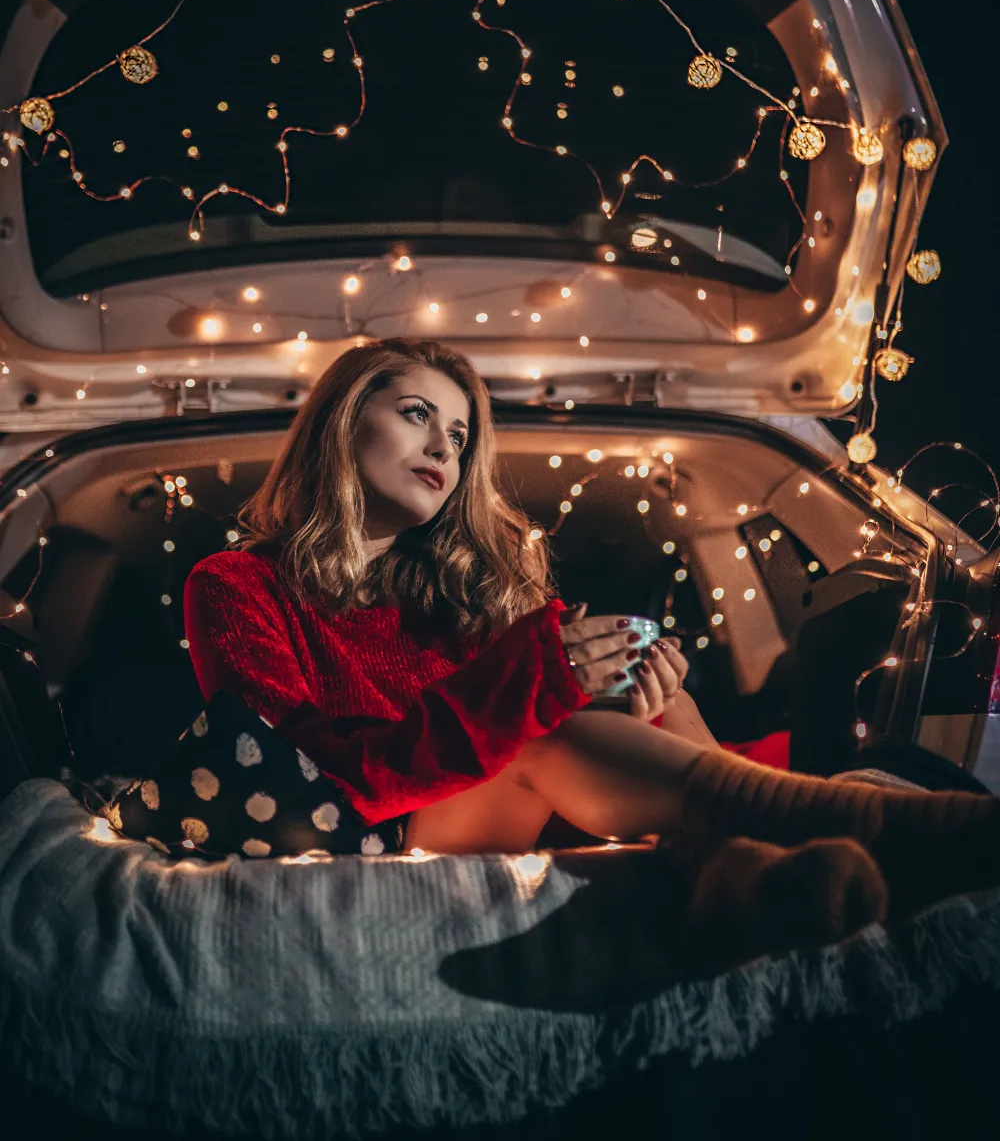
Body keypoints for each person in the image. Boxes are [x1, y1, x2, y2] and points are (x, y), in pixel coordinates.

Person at [182, 337, 998, 935]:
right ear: (342, 422)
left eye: (461, 437)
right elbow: (314, 778)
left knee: (639, 691)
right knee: (533, 732)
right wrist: (537, 686)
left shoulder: (466, 593)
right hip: (374, 831)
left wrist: (633, 689)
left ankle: (737, 867)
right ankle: (875, 824)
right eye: (418, 415)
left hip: (515, 811)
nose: (443, 447)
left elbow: (540, 734)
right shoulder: (238, 586)